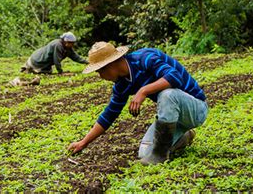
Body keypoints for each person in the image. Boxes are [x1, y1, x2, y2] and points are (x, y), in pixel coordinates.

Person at [67, 41, 208, 165]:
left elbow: (175, 77)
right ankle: (184, 137)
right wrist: (83, 142)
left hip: (196, 109)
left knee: (167, 94)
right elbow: (109, 115)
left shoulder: (145, 58)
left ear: (109, 65)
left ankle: (160, 155)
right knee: (145, 153)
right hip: (174, 119)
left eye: (100, 71)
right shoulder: (121, 85)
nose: (101, 76)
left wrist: (143, 91)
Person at [20, 32, 88, 74]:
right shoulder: (58, 45)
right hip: (38, 60)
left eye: (73, 43)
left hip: (40, 59)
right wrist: (61, 72)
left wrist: (87, 62)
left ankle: (29, 68)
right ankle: (29, 68)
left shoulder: (67, 48)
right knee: (48, 72)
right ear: (66, 41)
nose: (72, 45)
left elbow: (75, 57)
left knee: (49, 71)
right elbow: (56, 60)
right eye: (71, 43)